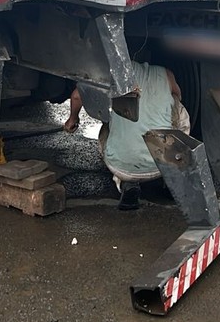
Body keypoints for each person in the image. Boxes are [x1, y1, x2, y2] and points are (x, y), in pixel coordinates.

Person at [65, 60, 190, 211]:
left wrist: (73, 119)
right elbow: (178, 96)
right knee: (177, 108)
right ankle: (173, 174)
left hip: (121, 168)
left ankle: (127, 183)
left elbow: (77, 96)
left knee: (108, 124)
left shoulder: (112, 74)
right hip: (161, 165)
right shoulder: (166, 73)